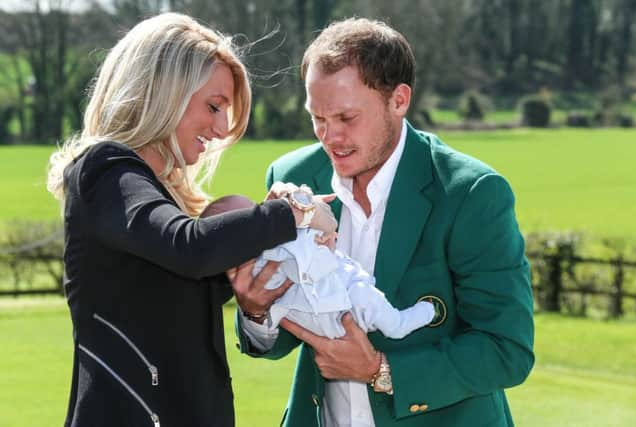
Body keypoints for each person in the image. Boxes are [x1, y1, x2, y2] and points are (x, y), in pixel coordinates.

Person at [236, 17, 535, 427]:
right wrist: (256, 312)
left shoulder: (472, 193)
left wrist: (380, 369)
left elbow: (507, 349)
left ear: (399, 100)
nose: (329, 137)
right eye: (317, 118)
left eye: (346, 118)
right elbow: (296, 324)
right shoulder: (291, 178)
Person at [46, 13, 335, 427]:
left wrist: (250, 293)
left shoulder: (153, 198)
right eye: (214, 106)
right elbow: (191, 247)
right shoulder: (104, 170)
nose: (221, 129)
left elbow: (183, 283)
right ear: (164, 92)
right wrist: (293, 213)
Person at [202, 194, 438, 341]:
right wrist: (254, 314)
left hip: (340, 288)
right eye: (250, 219)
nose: (264, 216)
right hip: (332, 306)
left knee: (369, 299)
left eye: (258, 210)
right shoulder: (259, 262)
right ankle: (402, 323)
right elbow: (297, 268)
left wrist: (316, 233)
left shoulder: (282, 215)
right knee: (375, 307)